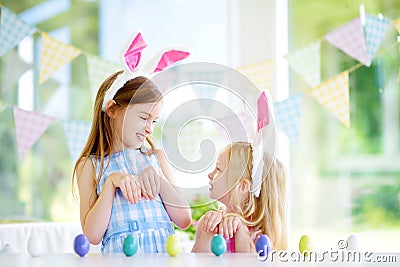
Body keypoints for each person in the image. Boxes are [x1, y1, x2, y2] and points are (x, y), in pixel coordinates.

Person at [72, 32, 191, 253]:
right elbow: (92, 235)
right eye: (144, 117)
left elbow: (184, 219)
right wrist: (110, 185)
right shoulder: (90, 165)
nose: (149, 128)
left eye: (154, 120)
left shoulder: (156, 158)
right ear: (112, 109)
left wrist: (158, 180)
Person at [191, 141, 287, 253]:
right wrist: (208, 230)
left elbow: (249, 263)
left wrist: (241, 230)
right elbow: (196, 261)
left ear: (242, 186)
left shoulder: (260, 233)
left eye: (218, 169)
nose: (210, 174)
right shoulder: (207, 223)